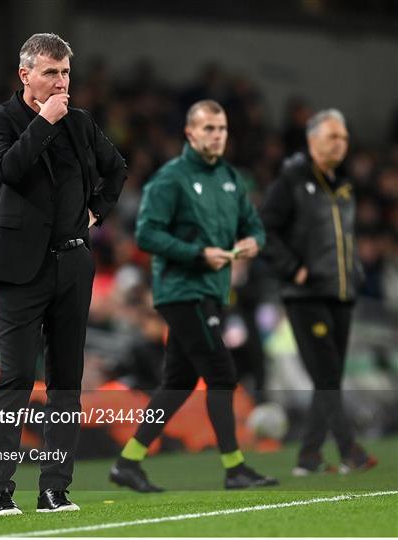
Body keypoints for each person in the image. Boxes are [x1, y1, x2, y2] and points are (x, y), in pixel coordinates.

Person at [0, 33, 127, 516]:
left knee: (66, 381)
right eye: (50, 72)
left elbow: (117, 169)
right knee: (16, 378)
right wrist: (43, 122)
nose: (61, 82)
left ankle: (53, 490)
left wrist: (97, 214)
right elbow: (9, 170)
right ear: (26, 75)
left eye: (65, 73)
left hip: (73, 262)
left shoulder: (81, 123)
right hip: (20, 268)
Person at [109, 99, 278, 492]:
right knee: (221, 373)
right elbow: (147, 234)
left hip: (213, 292)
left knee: (179, 382)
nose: (216, 136)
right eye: (208, 129)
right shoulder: (170, 179)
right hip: (182, 291)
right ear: (189, 133)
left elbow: (254, 225)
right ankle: (235, 467)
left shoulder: (232, 179)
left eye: (221, 130)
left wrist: (255, 241)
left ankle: (128, 462)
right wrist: (197, 254)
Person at [260, 109, 377, 475]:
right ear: (312, 141)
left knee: (329, 378)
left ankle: (308, 456)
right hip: (306, 295)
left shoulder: (341, 184)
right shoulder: (292, 181)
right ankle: (349, 450)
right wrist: (293, 268)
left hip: (340, 293)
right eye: (331, 137)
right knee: (326, 376)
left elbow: (344, 238)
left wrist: (353, 271)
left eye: (343, 137)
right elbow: (265, 229)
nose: (339, 144)